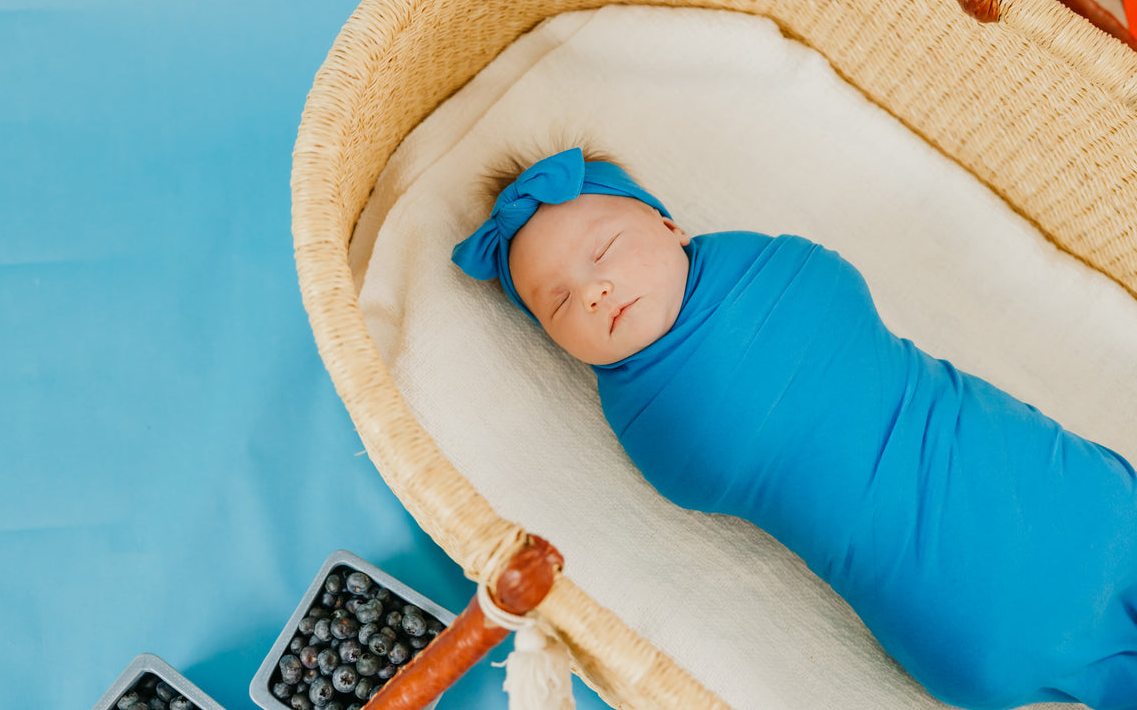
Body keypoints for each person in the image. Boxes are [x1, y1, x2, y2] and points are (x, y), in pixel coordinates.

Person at [451, 147, 1137, 710]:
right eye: (559, 301)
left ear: (669, 227)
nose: (593, 290)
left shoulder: (770, 265)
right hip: (967, 610)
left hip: (1051, 494)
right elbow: (702, 470)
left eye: (602, 250)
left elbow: (831, 292)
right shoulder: (646, 415)